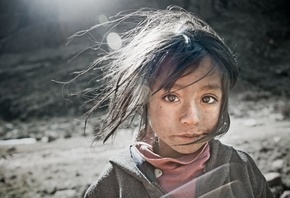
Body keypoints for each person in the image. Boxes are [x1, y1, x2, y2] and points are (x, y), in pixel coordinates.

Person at [82, 6, 273, 198]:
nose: (191, 119)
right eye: (171, 97)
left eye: (208, 99)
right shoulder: (115, 184)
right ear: (144, 97)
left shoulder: (242, 170)